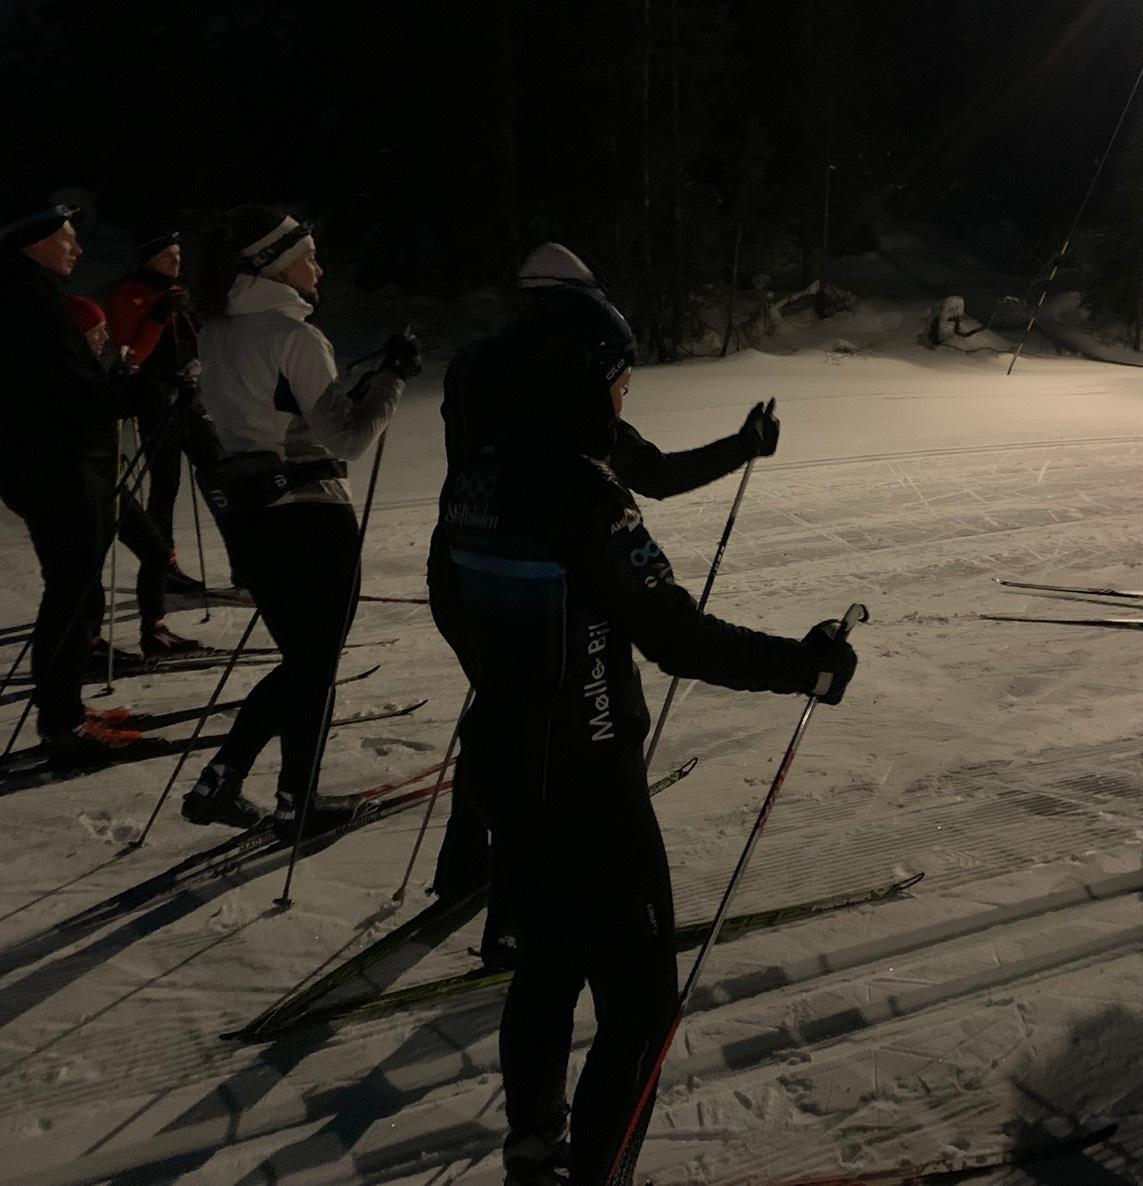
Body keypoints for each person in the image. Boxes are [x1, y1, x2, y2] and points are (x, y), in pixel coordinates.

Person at [426, 246, 857, 1186]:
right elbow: (677, 636)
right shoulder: (578, 489)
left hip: (506, 765)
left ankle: (534, 1150)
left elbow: (447, 604)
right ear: (584, 378)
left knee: (547, 964)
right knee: (642, 1006)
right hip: (585, 783)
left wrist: (521, 677)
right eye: (621, 379)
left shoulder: (480, 473)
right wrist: (807, 667)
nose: (627, 395)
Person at [431, 242, 781, 907]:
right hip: (540, 567)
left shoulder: (480, 369)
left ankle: (466, 862)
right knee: (551, 716)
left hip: (458, 560)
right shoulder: (568, 393)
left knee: (504, 699)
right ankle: (522, 891)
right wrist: (744, 446)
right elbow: (656, 475)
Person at [178, 206, 414, 832]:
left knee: (303, 663)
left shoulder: (218, 330)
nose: (319, 268)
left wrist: (366, 376)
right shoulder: (294, 335)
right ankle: (291, 799)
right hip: (312, 515)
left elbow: (283, 408)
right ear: (276, 266)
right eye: (308, 257)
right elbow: (345, 439)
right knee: (315, 664)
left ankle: (231, 782)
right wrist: (390, 383)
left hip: (251, 515)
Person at [0, 196, 145, 758]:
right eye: (67, 238)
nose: (78, 249)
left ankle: (66, 710)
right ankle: (63, 723)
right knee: (72, 593)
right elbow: (69, 394)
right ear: (35, 243)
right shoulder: (30, 306)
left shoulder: (27, 297)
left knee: (75, 590)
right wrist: (131, 391)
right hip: (57, 466)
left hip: (47, 464)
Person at [62, 295, 202, 658]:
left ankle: (154, 629)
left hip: (108, 481)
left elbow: (113, 400)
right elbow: (94, 409)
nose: (104, 338)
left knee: (155, 550)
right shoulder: (66, 370)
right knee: (88, 566)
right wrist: (136, 393)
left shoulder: (91, 366)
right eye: (96, 331)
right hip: (81, 483)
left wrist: (141, 389)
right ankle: (89, 643)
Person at [106, 227, 205, 594]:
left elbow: (197, 340)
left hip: (188, 391)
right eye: (167, 256)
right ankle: (164, 562)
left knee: (219, 469)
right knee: (166, 482)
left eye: (178, 255)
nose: (175, 262)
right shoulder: (129, 293)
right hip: (154, 396)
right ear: (148, 259)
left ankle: (246, 563)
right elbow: (134, 354)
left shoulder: (176, 290)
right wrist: (159, 315)